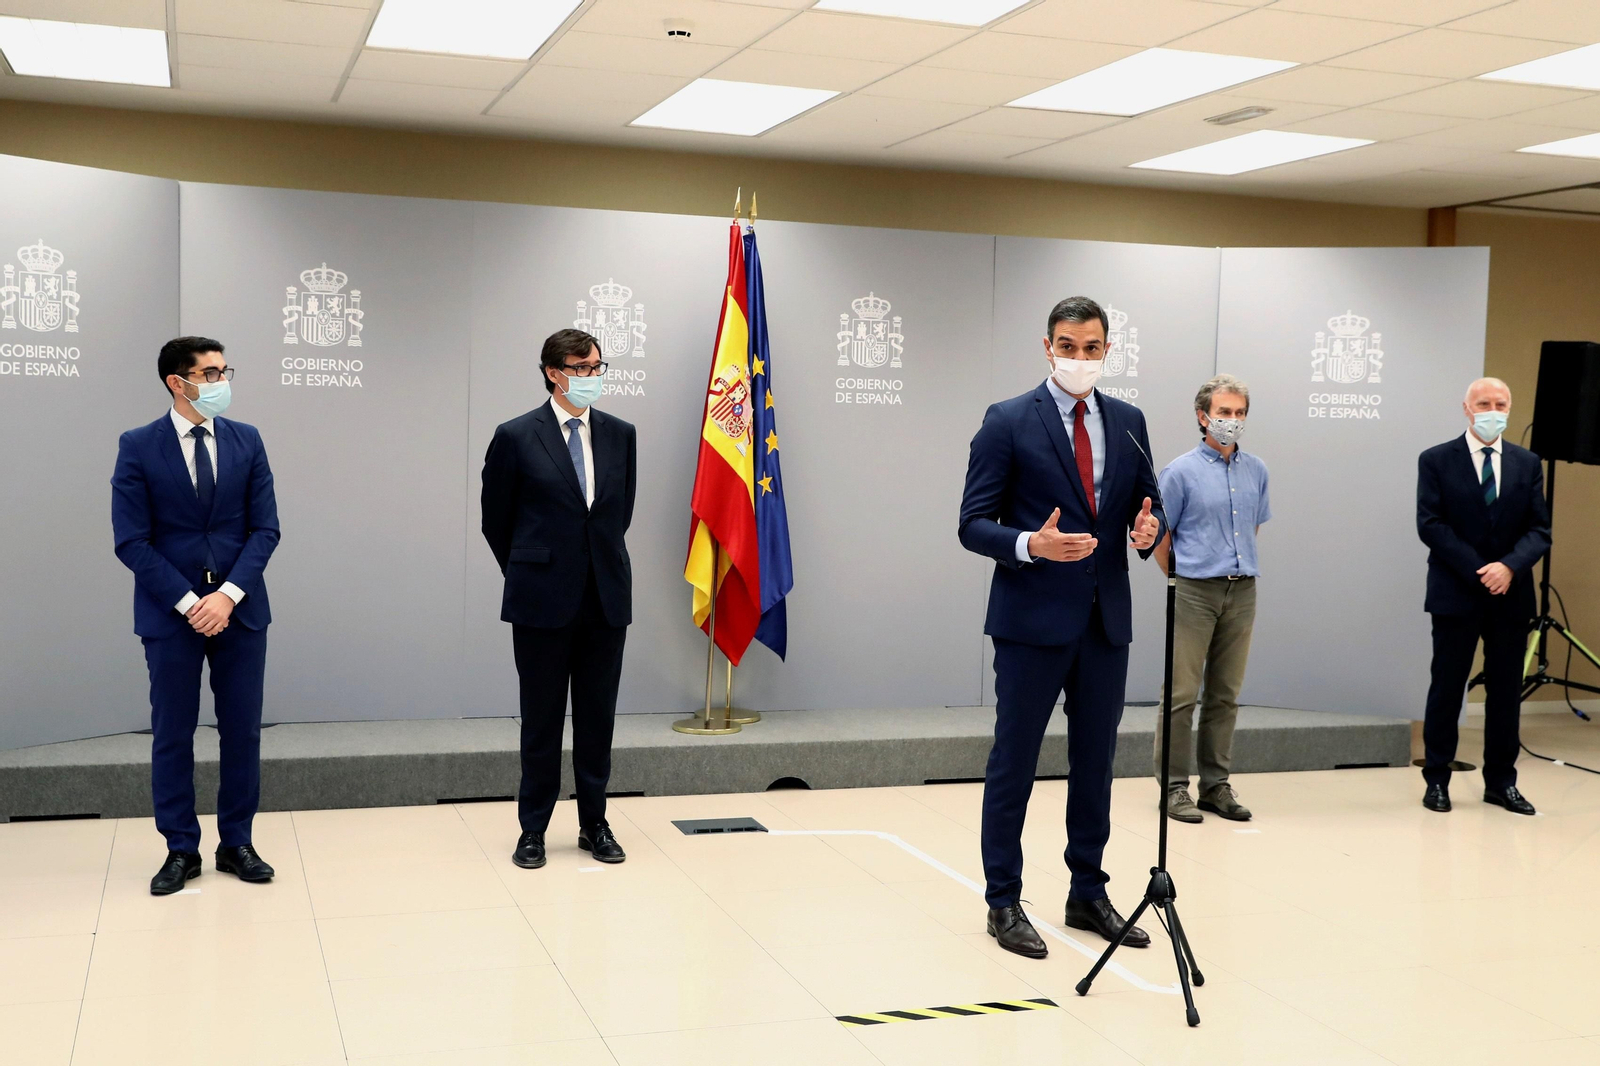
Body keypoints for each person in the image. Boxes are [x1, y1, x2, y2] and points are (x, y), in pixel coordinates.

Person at [959, 296, 1166, 959]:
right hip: (1030, 620)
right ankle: (1002, 899)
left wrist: (1147, 528)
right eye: (1068, 346)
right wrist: (1031, 545)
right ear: (1046, 345)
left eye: (1093, 348)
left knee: (1095, 764)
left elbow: (1147, 502)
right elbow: (972, 523)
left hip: (1105, 620)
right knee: (1014, 763)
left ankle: (1087, 891)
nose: (1080, 358)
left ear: (1108, 349)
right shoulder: (1009, 419)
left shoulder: (1129, 421)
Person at [111, 337, 281, 896]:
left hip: (240, 611)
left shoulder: (247, 440)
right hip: (172, 614)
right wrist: (190, 603)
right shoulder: (138, 446)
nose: (220, 381)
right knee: (172, 734)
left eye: (222, 370)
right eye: (209, 373)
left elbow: (265, 530)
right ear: (175, 382)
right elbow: (132, 541)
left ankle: (237, 842)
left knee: (241, 733)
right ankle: (181, 848)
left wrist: (228, 596)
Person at [482, 328, 636, 869]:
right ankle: (533, 829)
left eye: (598, 367)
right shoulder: (517, 435)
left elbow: (619, 516)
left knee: (598, 718)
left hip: (605, 599)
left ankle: (595, 823)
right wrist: (531, 571)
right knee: (542, 719)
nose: (592, 376)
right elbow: (496, 520)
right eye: (582, 367)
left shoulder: (621, 434)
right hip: (541, 600)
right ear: (554, 371)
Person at [1416, 377, 1550, 815]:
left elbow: (1539, 530)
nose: (1493, 410)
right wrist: (1481, 570)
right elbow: (1431, 524)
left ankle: (1501, 783)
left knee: (1506, 692)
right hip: (1457, 591)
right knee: (1448, 689)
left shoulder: (1527, 463)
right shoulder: (1436, 459)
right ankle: (1437, 779)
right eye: (1484, 403)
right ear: (1466, 408)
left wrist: (1509, 566)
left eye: (1501, 403)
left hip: (1511, 596)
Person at [1151, 375, 1270, 824]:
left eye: (1239, 413)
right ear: (1203, 417)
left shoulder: (1256, 469)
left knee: (1225, 694)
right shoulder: (1180, 471)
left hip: (1242, 589)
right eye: (1224, 413)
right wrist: (1183, 576)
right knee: (1181, 693)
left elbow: (1253, 527)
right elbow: (1161, 537)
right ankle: (1173, 788)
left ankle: (1215, 785)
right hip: (1194, 591)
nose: (1232, 421)